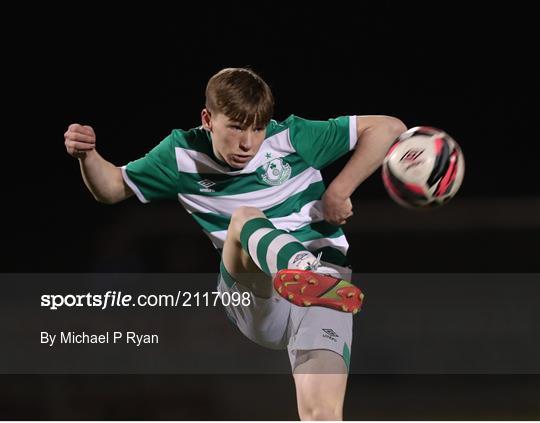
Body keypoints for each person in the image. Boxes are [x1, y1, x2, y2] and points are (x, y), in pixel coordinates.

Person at [64, 67, 406, 420]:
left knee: (322, 413)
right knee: (244, 218)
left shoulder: (292, 137)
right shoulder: (182, 153)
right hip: (253, 290)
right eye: (237, 127)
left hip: (325, 286)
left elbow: (388, 128)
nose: (248, 143)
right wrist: (87, 156)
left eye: (257, 128)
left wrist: (340, 189)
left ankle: (309, 274)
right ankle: (301, 266)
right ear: (207, 119)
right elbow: (111, 187)